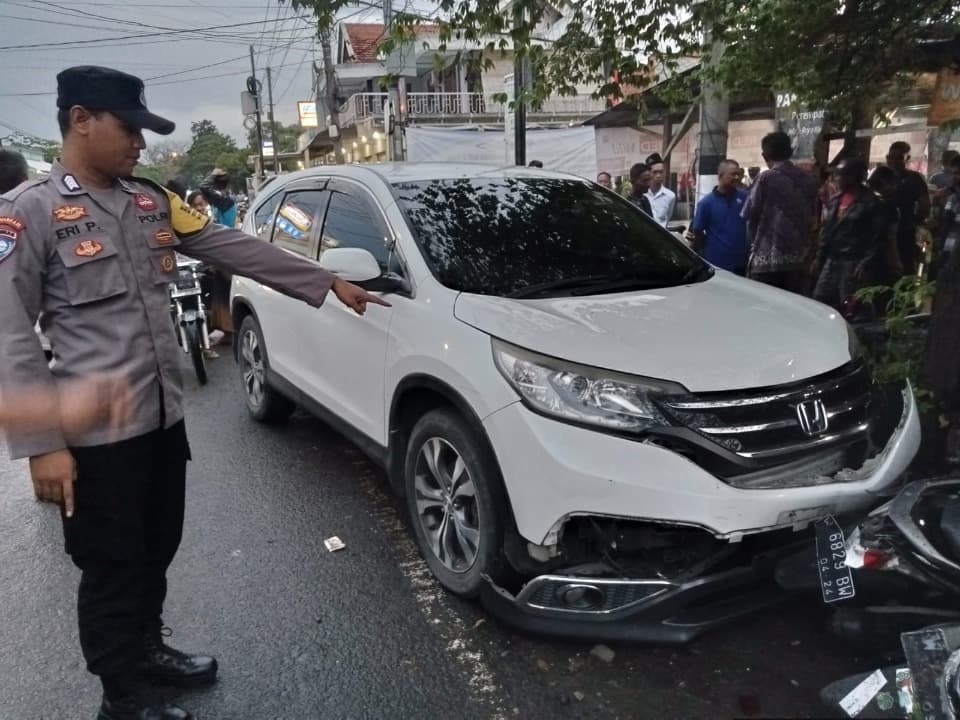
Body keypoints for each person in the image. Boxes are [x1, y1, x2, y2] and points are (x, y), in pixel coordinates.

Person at [0, 65, 388, 720]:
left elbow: (228, 245)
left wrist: (323, 281)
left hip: (160, 419)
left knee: (158, 547)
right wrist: (43, 446)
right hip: (93, 437)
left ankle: (148, 652)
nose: (140, 145)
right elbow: (9, 332)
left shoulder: (149, 200)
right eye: (129, 129)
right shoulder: (28, 212)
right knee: (111, 568)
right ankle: (122, 697)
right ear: (80, 120)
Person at [741, 131, 818, 292]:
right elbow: (813, 219)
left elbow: (749, 215)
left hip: (766, 262)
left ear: (765, 155)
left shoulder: (765, 178)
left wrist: (754, 248)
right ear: (790, 152)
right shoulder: (808, 179)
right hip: (798, 261)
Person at [811, 158, 888, 311]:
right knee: (819, 301)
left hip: (853, 263)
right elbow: (827, 233)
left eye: (840, 175)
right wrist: (819, 258)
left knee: (852, 306)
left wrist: (865, 264)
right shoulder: (835, 201)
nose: (837, 179)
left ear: (853, 177)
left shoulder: (872, 203)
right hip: (832, 261)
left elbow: (877, 238)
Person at [688, 159, 749, 275]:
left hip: (741, 262)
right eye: (733, 174)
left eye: (738, 174)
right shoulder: (706, 203)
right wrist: (706, 250)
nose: (737, 177)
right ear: (721, 175)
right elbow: (697, 230)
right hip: (717, 262)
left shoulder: (744, 198)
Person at [885, 141, 931, 276]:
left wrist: (915, 222)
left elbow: (925, 205)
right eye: (890, 157)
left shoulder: (914, 178)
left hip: (904, 229)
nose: (893, 161)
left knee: (905, 266)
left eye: (898, 158)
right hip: (882, 230)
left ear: (907, 159)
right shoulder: (881, 176)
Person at [644, 152, 676, 226]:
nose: (658, 175)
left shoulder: (670, 196)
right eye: (655, 172)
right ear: (649, 173)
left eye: (661, 172)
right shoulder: (642, 194)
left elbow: (667, 219)